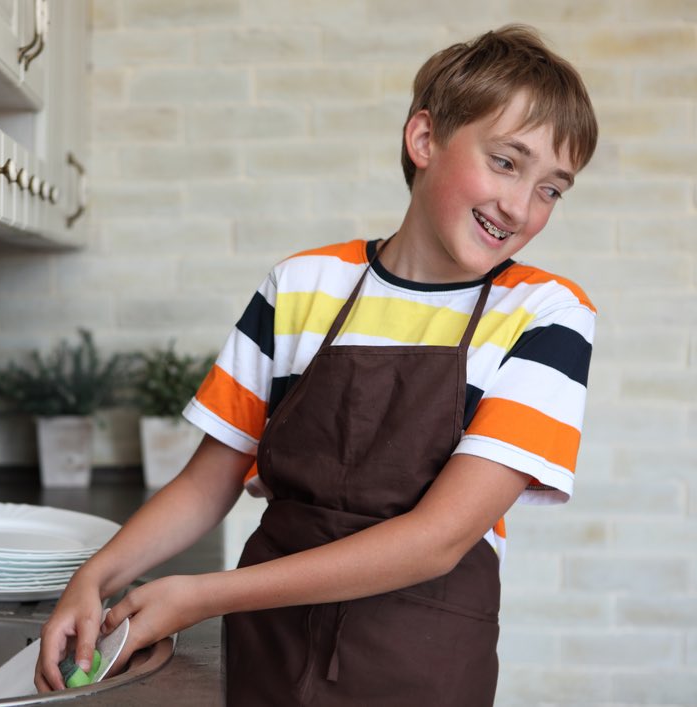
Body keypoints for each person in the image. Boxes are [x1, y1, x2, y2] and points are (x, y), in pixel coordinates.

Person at [34, 24, 598, 706]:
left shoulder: (546, 315)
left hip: (421, 669)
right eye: (507, 162)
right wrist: (93, 578)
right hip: (269, 651)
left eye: (552, 189)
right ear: (424, 140)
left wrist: (202, 596)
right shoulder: (301, 286)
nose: (521, 207)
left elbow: (437, 539)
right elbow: (206, 483)